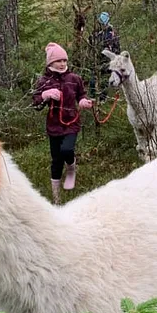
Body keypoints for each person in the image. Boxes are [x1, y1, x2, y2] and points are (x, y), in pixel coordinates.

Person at [32, 42, 93, 204]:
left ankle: (72, 169)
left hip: (71, 123)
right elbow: (36, 103)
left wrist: (83, 102)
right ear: (50, 63)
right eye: (59, 61)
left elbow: (82, 95)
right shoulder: (44, 80)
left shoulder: (75, 79)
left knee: (67, 150)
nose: (62, 64)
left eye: (65, 61)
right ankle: (56, 197)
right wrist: (45, 94)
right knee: (56, 160)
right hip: (53, 126)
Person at [88, 11, 120, 102]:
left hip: (107, 60)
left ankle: (102, 99)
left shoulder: (112, 33)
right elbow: (90, 43)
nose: (102, 24)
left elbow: (117, 46)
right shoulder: (95, 32)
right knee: (93, 78)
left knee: (105, 79)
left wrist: (115, 58)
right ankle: (93, 97)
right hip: (96, 59)